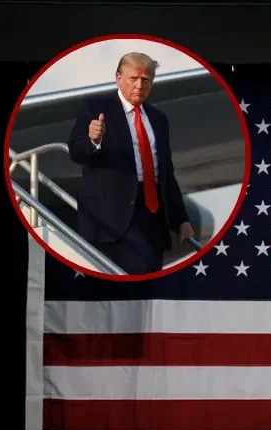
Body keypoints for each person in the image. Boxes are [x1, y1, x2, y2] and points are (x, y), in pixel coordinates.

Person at [67, 52, 195, 275]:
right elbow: (76, 152)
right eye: (133, 78)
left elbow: (165, 174)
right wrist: (93, 140)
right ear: (118, 78)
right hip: (112, 215)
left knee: (149, 275)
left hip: (153, 215)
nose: (139, 85)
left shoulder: (158, 118)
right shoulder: (96, 107)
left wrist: (181, 220)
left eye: (145, 80)